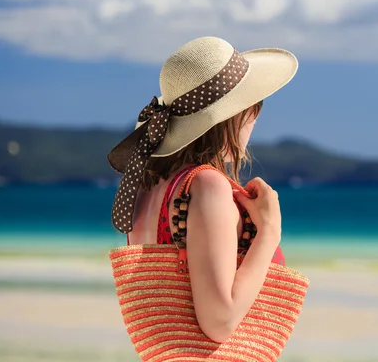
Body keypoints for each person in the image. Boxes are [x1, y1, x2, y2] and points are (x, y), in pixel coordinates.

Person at [107, 36, 298, 343]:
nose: (256, 117)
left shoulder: (147, 187)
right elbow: (219, 323)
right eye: (254, 105)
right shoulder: (207, 186)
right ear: (232, 116)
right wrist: (269, 232)